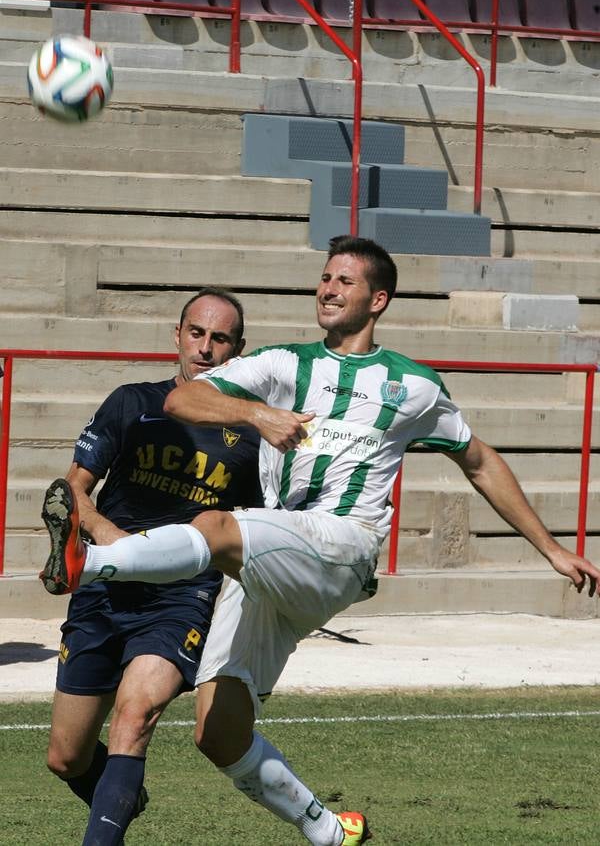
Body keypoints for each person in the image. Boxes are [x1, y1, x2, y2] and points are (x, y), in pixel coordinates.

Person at [40, 236, 600, 846]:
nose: (327, 289)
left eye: (344, 281)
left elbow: (480, 460)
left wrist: (551, 547)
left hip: (342, 545)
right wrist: (257, 414)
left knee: (214, 527)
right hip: (272, 562)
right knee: (217, 732)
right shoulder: (283, 365)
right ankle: (330, 830)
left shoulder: (410, 385)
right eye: (325, 277)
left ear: (378, 299)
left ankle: (89, 564)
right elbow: (183, 396)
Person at [42, 287, 263, 845]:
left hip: (180, 595)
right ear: (177, 336)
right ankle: (122, 796)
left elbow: (259, 529)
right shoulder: (131, 401)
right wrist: (110, 538)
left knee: (135, 715)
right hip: (104, 584)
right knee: (66, 757)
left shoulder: (255, 437)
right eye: (197, 333)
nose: (206, 349)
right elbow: (75, 490)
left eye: (220, 339)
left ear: (238, 349)